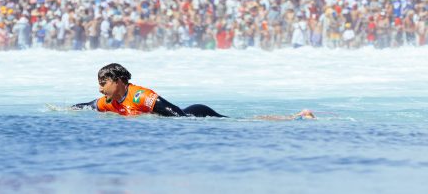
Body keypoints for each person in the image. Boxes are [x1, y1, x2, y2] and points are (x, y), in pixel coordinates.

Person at [72, 63, 315, 120]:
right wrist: (67, 108)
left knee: (241, 121)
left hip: (194, 114)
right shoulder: (109, 102)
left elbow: (176, 114)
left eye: (104, 82)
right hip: (183, 115)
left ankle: (296, 117)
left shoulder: (139, 95)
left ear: (120, 81)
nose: (100, 87)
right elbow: (89, 105)